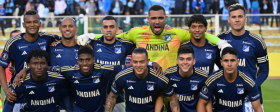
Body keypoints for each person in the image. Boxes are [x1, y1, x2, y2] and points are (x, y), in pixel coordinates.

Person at [78, 5, 231, 72]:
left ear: (166, 18)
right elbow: (113, 35)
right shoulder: (136, 33)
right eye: (153, 18)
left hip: (171, 81)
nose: (157, 21)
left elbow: (199, 33)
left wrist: (221, 42)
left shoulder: (177, 33)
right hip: (146, 81)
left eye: (160, 18)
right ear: (148, 19)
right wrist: (91, 36)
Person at [98, 47, 189, 112]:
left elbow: (173, 99)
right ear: (131, 62)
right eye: (135, 62)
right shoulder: (122, 76)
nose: (138, 65)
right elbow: (112, 97)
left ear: (147, 61)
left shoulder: (159, 77)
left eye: (142, 62)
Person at [0, 10, 60, 112]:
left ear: (40, 24)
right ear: (23, 25)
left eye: (35, 22)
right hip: (17, 95)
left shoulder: (47, 38)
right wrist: (6, 90)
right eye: (29, 22)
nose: (32, 25)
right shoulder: (13, 43)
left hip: (41, 97)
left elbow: (67, 40)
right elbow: (1, 66)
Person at [197, 47, 268, 112]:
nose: (229, 64)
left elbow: (257, 109)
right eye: (226, 61)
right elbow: (202, 102)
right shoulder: (213, 79)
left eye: (232, 60)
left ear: (238, 62)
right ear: (221, 62)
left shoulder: (248, 81)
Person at [218, 4, 269, 112]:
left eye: (240, 16)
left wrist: (252, 88)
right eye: (233, 17)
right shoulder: (220, 40)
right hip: (226, 99)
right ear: (228, 19)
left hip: (251, 101)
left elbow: (264, 71)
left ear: (245, 19)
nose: (237, 20)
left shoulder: (257, 41)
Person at [0, 49, 66, 112]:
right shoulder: (21, 81)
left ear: (47, 64)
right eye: (35, 64)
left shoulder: (57, 78)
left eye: (42, 63)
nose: (39, 67)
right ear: (29, 65)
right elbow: (10, 101)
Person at [86, 16, 136, 112]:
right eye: (106, 27)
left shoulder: (125, 44)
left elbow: (142, 50)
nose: (108, 30)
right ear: (101, 30)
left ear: (117, 29)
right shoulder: (92, 44)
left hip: (118, 99)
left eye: (112, 27)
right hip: (96, 100)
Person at [164, 45, 209, 112]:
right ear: (177, 61)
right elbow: (164, 97)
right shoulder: (168, 74)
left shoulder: (203, 76)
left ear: (194, 61)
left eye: (188, 59)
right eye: (181, 59)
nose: (185, 62)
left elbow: (206, 100)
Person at [48, 17, 79, 112]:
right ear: (60, 28)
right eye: (64, 26)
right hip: (57, 105)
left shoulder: (84, 49)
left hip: (79, 104)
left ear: (76, 29)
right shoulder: (51, 49)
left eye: (70, 26)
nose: (67, 29)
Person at [0, 30, 21, 110]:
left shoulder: (28, 53)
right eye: (14, 38)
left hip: (25, 88)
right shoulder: (4, 54)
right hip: (10, 90)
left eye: (19, 37)